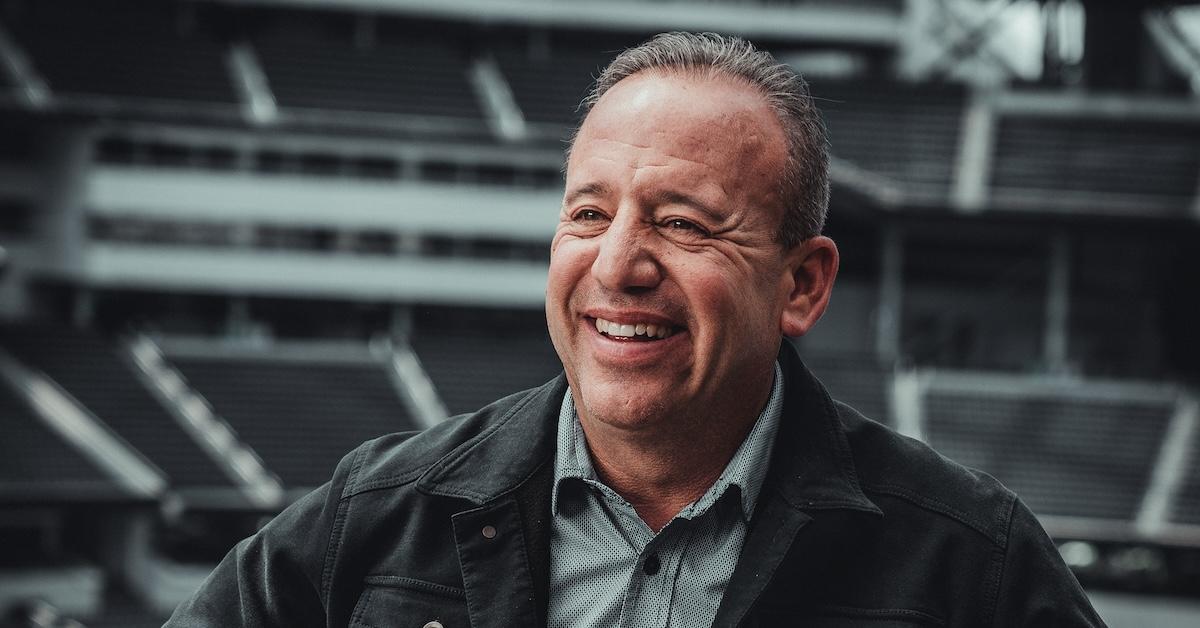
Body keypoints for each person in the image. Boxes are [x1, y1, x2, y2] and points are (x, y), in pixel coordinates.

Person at [166, 32, 1107, 627]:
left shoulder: (971, 566)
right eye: (587, 214)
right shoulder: (372, 518)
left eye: (684, 222)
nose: (616, 265)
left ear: (802, 284)